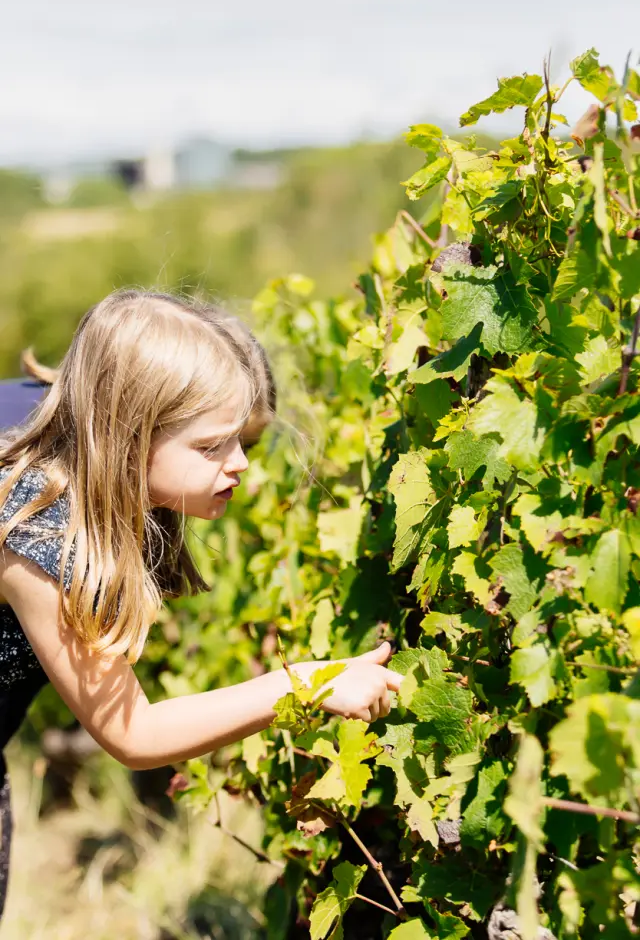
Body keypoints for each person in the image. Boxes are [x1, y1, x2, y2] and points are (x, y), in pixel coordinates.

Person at [0, 287, 403, 922]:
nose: (240, 463)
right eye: (211, 447)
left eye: (243, 439)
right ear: (128, 433)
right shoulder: (39, 539)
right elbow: (135, 733)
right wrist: (307, 683)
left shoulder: (59, 422)